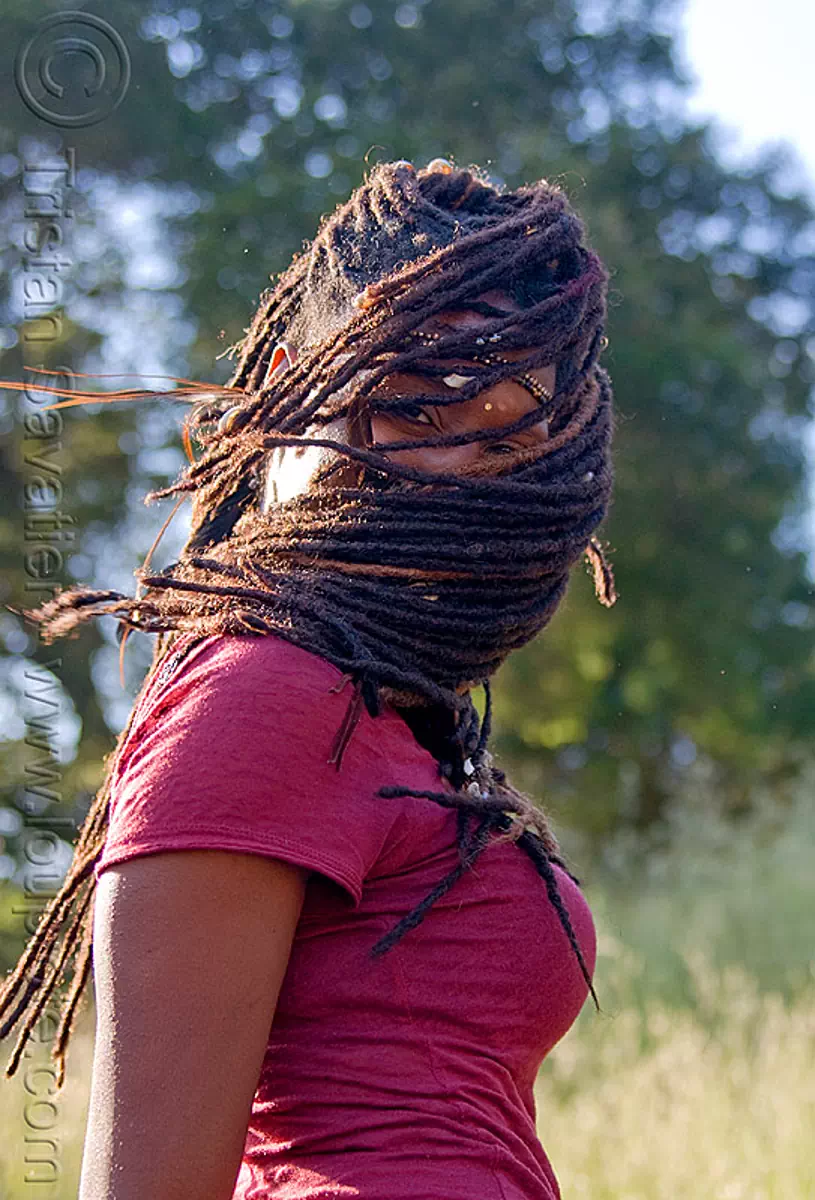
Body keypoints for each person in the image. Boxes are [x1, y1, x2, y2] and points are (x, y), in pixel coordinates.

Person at [0, 158, 615, 1200]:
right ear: (297, 378)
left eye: (503, 426)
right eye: (414, 412)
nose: (457, 466)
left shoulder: (392, 714)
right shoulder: (261, 695)